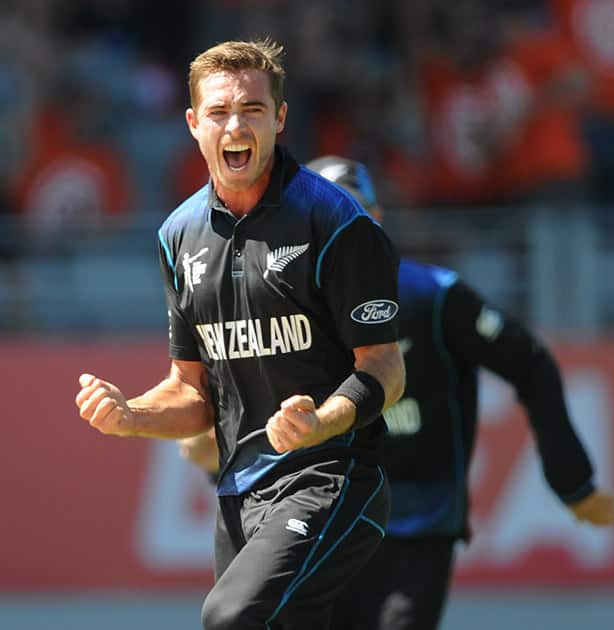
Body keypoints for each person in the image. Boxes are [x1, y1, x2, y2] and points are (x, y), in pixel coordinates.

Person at [181, 154, 614, 630]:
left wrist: (572, 480)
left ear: (375, 219)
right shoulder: (271, 307)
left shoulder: (432, 297)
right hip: (323, 516)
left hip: (419, 520)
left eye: (348, 214)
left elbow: (530, 363)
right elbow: (233, 411)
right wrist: (211, 451)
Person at [74, 40, 405, 630]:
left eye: (253, 110)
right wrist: (130, 414)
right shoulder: (178, 234)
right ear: (194, 123)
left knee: (231, 618)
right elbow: (193, 394)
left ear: (279, 120)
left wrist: (321, 422)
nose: (236, 124)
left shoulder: (335, 222)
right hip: (239, 492)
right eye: (220, 111)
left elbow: (385, 367)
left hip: (333, 476)